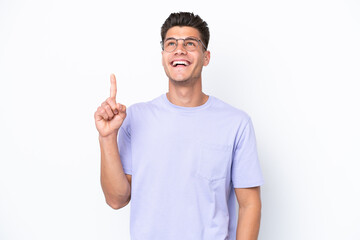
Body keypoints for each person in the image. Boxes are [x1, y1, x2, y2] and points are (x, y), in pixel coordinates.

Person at [94, 12, 264, 240]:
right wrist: (107, 137)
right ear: (163, 55)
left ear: (206, 57)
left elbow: (249, 204)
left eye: (190, 43)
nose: (179, 49)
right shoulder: (135, 118)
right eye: (171, 43)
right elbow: (116, 199)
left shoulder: (236, 123)